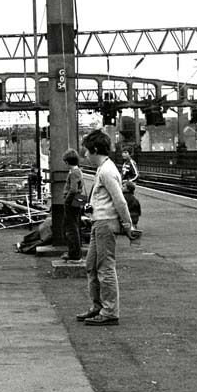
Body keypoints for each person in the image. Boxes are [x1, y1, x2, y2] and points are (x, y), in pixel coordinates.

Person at [76, 130, 136, 326]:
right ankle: (98, 306)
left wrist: (128, 225)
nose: (85, 155)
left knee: (105, 268)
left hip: (105, 223)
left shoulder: (108, 171)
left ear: (94, 150)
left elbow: (120, 201)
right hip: (98, 222)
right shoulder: (103, 169)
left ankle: (110, 311)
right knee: (91, 266)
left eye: (86, 151)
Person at [61, 149, 84, 261]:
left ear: (67, 162)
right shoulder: (78, 171)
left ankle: (74, 254)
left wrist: (66, 200)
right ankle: (75, 252)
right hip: (78, 200)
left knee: (71, 229)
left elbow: (73, 189)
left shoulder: (74, 173)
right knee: (75, 227)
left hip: (72, 202)